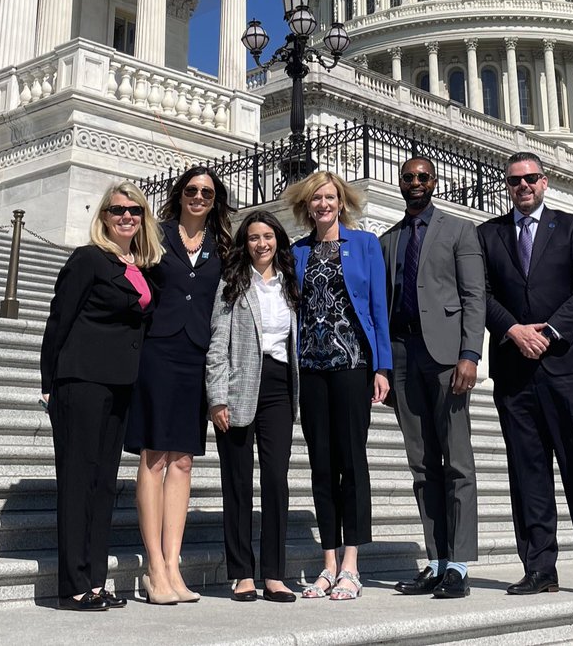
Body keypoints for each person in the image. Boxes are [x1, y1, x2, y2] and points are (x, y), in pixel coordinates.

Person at [476, 151, 573, 601]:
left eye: (531, 178)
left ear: (545, 182)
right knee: (527, 472)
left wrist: (550, 331)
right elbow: (478, 292)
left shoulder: (572, 227)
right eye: (515, 180)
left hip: (568, 366)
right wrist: (514, 330)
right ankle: (539, 567)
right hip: (515, 369)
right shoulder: (489, 234)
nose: (523, 186)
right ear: (508, 185)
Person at [39, 181, 164, 611]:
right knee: (78, 481)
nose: (126, 216)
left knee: (103, 484)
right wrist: (48, 382)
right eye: (117, 210)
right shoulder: (88, 260)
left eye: (134, 210)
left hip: (119, 385)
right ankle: (73, 586)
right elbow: (59, 321)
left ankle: (94, 579)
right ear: (104, 217)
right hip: (81, 381)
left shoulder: (141, 267)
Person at [124, 166, 233, 604]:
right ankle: (153, 566)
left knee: (184, 461)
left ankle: (173, 563)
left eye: (207, 192)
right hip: (157, 351)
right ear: (180, 194)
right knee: (154, 458)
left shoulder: (222, 247)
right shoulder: (156, 235)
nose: (199, 197)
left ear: (215, 199)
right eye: (192, 190)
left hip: (196, 355)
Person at [380, 157, 485, 599]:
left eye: (423, 177)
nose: (416, 183)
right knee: (421, 464)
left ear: (434, 182)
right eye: (409, 177)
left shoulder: (459, 231)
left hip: (446, 357)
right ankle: (437, 559)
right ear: (400, 183)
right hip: (404, 355)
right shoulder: (389, 239)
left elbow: (473, 295)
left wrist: (469, 354)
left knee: (457, 460)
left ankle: (459, 564)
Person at [286, 171, 391, 601]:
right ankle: (328, 563)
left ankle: (351, 563)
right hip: (310, 367)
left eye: (329, 197)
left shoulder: (365, 245)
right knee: (321, 465)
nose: (323, 205)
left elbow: (379, 308)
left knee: (352, 460)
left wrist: (382, 367)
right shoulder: (298, 251)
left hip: (352, 365)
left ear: (341, 202)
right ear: (307, 206)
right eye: (316, 199)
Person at [206, 211, 301, 603]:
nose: (261, 244)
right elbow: (217, 343)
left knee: (276, 480)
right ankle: (242, 573)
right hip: (239, 386)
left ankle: (274, 574)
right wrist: (217, 397)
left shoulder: (290, 285)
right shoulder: (232, 282)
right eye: (253, 238)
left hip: (279, 386)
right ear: (244, 243)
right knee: (237, 482)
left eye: (267, 236)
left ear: (278, 239)